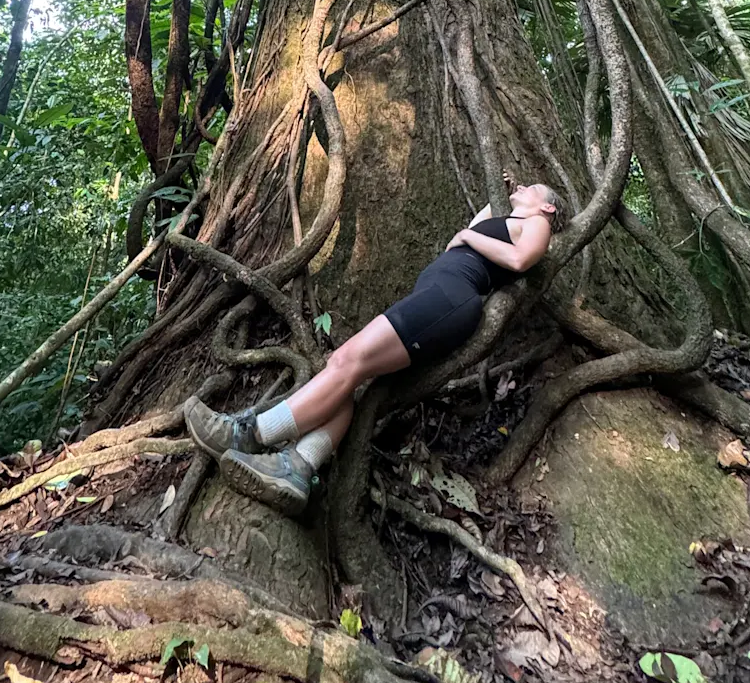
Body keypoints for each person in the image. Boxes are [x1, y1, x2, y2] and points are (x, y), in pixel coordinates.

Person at [184, 179, 563, 515]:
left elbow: (519, 258)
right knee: (349, 373)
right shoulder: (509, 222)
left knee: (348, 360)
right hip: (438, 300)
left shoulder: (538, 225)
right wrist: (491, 203)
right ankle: (296, 468)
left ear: (547, 206)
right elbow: (484, 226)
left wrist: (465, 238)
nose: (520, 189)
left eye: (529, 188)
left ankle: (247, 433)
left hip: (449, 301)